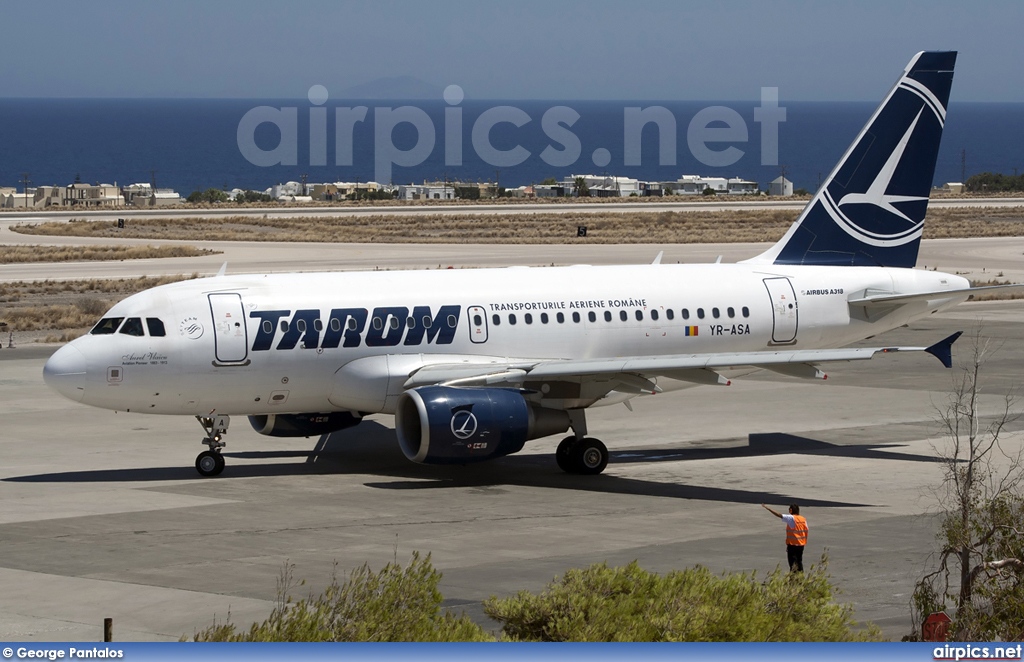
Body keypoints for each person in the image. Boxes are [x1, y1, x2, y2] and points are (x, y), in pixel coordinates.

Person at [761, 503, 808, 572]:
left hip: (792, 545)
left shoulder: (791, 518)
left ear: (791, 510)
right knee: (799, 561)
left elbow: (779, 515)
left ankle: (793, 579)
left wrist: (768, 509)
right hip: (801, 545)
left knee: (792, 563)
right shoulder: (803, 519)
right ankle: (801, 578)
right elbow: (806, 530)